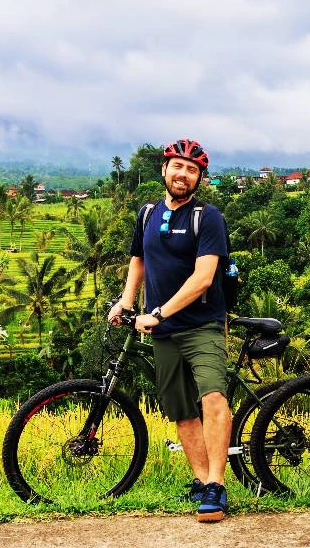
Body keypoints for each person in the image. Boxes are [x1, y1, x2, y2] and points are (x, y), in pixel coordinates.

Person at [108, 139, 231, 522]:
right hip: (162, 330)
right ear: (164, 170)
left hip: (201, 325)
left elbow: (203, 278)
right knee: (180, 409)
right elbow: (138, 261)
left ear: (199, 178)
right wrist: (127, 300)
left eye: (192, 169)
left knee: (213, 398)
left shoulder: (207, 217)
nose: (183, 174)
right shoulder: (146, 214)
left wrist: (158, 313)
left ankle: (217, 485)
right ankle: (200, 480)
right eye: (178, 166)